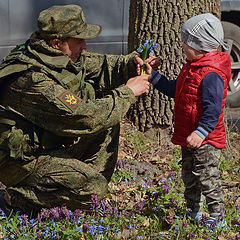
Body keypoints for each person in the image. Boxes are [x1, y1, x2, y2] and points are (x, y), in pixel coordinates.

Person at [0, 4, 158, 216]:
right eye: (79, 40)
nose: (84, 46)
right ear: (57, 43)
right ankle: (16, 200)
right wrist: (128, 92)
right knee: (92, 185)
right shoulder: (32, 78)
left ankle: (81, 197)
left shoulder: (58, 55)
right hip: (19, 162)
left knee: (108, 119)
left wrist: (133, 63)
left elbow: (104, 67)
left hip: (46, 146)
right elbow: (84, 117)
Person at [144, 13, 231, 227]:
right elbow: (178, 91)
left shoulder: (211, 74)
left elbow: (213, 109)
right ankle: (194, 212)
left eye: (185, 42)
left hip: (206, 139)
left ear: (199, 46)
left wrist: (201, 132)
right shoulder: (192, 67)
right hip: (189, 137)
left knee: (207, 178)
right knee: (190, 177)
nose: (182, 46)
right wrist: (154, 77)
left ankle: (217, 217)